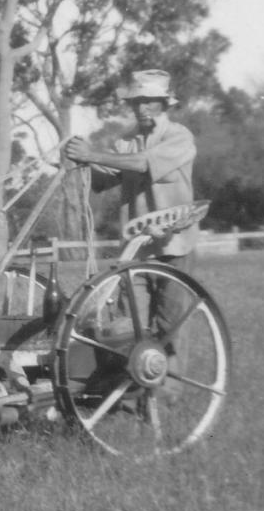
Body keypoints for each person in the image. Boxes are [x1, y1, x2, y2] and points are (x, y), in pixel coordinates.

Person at [64, 69, 198, 338]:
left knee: (170, 330)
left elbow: (143, 164)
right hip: (135, 250)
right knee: (128, 328)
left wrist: (92, 154)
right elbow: (103, 181)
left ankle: (168, 381)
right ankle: (132, 380)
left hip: (173, 247)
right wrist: (78, 161)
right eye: (137, 102)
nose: (142, 108)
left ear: (164, 104)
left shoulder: (179, 137)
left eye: (149, 101)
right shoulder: (126, 141)